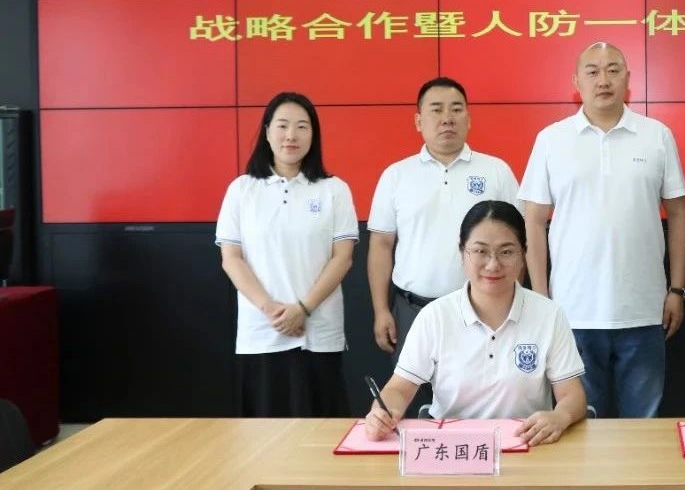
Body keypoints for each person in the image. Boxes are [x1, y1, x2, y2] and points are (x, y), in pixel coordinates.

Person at [519, 42, 685, 419]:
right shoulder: (552, 139)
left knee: (642, 427)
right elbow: (533, 219)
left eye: (613, 70)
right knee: (582, 424)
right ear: (576, 81)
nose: (603, 80)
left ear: (628, 79)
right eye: (593, 71)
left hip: (643, 310)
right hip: (572, 313)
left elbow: (679, 214)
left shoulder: (656, 135)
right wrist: (541, 298)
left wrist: (677, 289)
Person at [364, 200, 587, 445]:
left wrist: (560, 416)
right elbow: (398, 389)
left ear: (523, 254)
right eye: (480, 251)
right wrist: (382, 413)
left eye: (506, 252)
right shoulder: (435, 317)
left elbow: (572, 395)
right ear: (462, 252)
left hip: (526, 445)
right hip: (453, 449)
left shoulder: (549, 315)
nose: (493, 264)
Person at [366, 77, 519, 414]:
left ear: (469, 118)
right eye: (436, 110)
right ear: (418, 121)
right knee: (411, 406)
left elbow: (518, 243)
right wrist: (381, 310)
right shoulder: (397, 175)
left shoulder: (496, 171)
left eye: (456, 109)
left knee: (481, 402)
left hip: (483, 310)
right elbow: (381, 245)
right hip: (413, 310)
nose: (447, 118)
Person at [215, 91, 358, 417]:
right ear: (267, 132)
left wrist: (303, 309)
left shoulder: (333, 189)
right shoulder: (242, 190)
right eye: (282, 125)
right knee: (263, 432)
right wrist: (272, 311)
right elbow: (231, 258)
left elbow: (342, 258)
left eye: (302, 127)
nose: (291, 135)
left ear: (313, 135)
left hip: (318, 332)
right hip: (261, 332)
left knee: (320, 428)